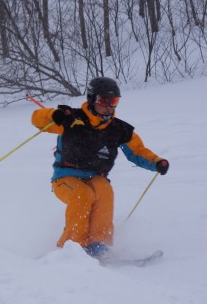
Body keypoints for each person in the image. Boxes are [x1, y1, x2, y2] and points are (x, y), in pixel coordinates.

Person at [31, 77, 169, 260]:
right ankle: (72, 249)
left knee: (104, 191)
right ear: (91, 98)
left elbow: (137, 151)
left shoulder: (118, 129)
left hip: (95, 176)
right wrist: (53, 115)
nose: (109, 106)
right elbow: (37, 119)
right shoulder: (71, 118)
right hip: (65, 176)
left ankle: (99, 245)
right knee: (83, 196)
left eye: (113, 102)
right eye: (104, 101)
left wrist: (156, 162)